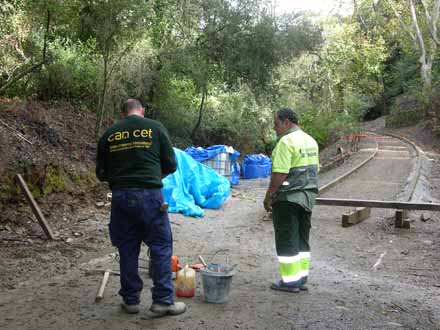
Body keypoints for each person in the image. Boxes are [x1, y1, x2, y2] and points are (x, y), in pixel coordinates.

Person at [96, 98, 186, 316]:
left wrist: (122, 180)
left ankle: (130, 300)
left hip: (120, 197)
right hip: (150, 195)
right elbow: (171, 165)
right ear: (142, 111)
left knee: (127, 247)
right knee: (161, 246)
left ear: (123, 113)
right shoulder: (155, 128)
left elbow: (101, 173)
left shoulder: (110, 134)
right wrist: (152, 176)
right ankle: (163, 301)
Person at [264, 107, 319, 293]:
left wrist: (269, 195)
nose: (274, 129)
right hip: (308, 197)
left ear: (286, 122)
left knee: (287, 239)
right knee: (302, 240)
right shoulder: (310, 140)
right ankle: (301, 278)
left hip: (288, 198)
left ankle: (289, 282)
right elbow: (314, 170)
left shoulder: (285, 142)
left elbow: (280, 173)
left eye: (276, 124)